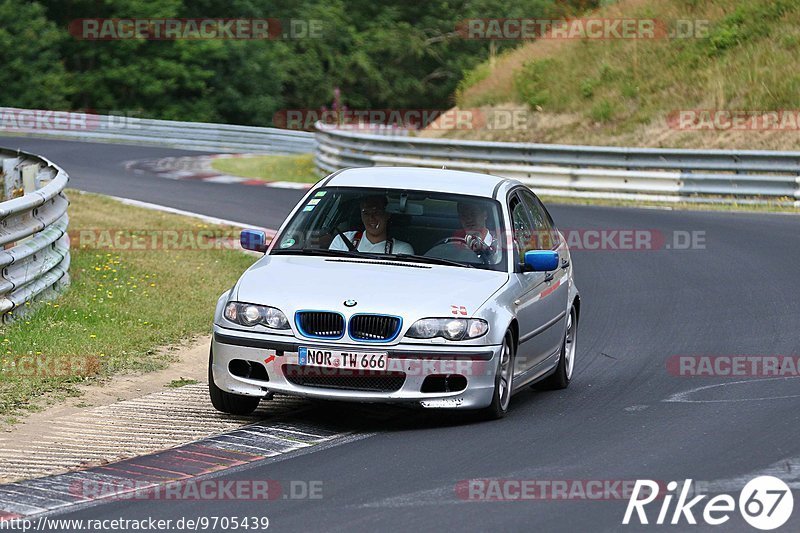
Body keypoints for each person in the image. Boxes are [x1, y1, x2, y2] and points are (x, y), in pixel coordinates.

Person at [329, 195, 414, 254]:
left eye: (376, 212)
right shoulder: (342, 240)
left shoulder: (402, 249)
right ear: (361, 216)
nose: (371, 218)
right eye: (366, 213)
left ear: (387, 214)